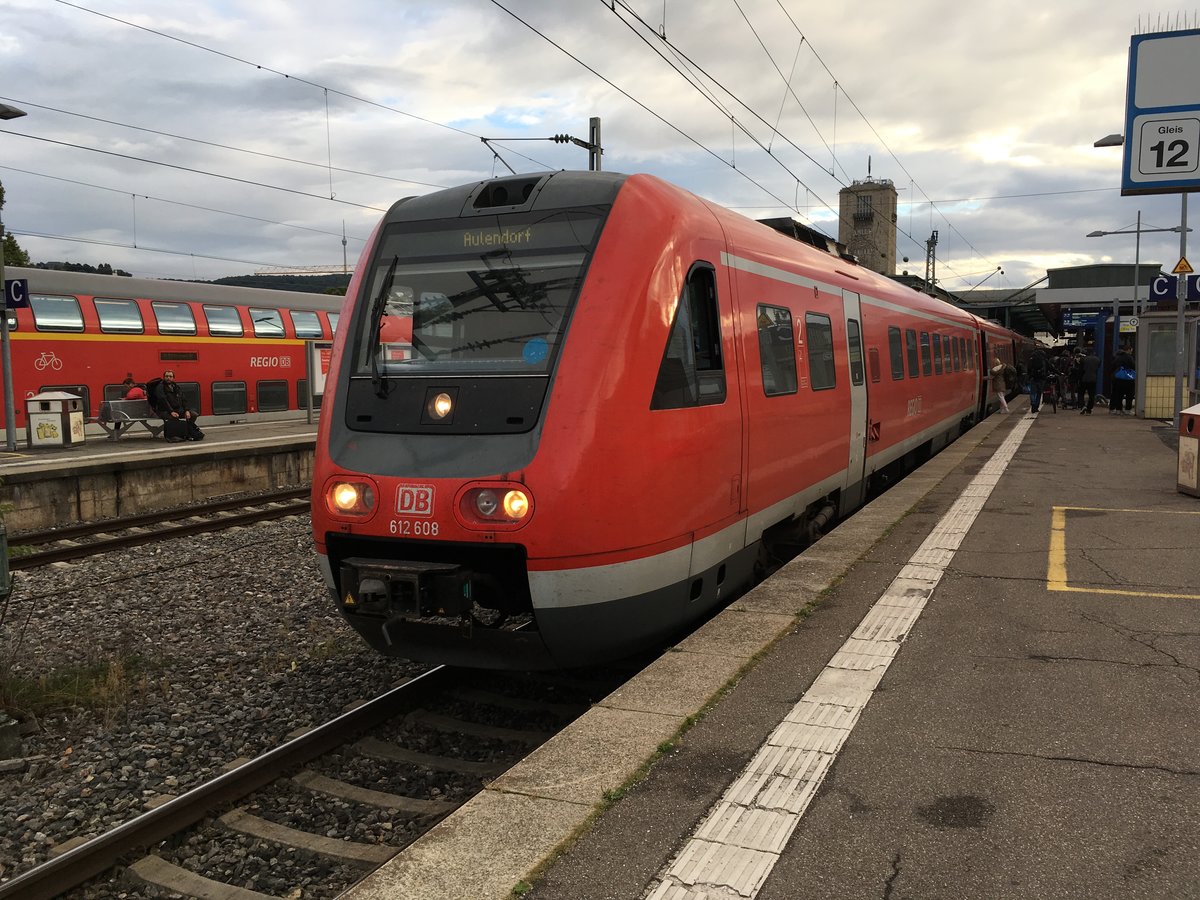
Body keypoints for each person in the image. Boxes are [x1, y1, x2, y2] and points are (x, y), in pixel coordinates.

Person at [150, 369, 204, 441]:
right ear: (164, 377)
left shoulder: (176, 387)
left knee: (193, 414)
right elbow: (163, 400)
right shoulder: (160, 387)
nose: (168, 378)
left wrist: (187, 410)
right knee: (173, 417)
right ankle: (174, 435)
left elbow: (183, 400)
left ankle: (188, 432)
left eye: (170, 376)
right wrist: (171, 411)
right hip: (163, 411)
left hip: (177, 410)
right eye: (166, 376)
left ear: (173, 378)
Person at [1110, 345, 1136, 415]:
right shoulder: (1129, 357)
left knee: (1119, 394)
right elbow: (1133, 366)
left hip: (1118, 378)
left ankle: (1118, 409)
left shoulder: (1117, 357)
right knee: (1129, 395)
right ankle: (1127, 410)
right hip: (1128, 378)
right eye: (1131, 350)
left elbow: (1112, 366)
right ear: (1128, 350)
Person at [1078, 345, 1101, 415]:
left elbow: (1081, 370)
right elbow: (1098, 368)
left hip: (1084, 379)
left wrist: (1079, 378)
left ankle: (1082, 406)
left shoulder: (1083, 359)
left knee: (1081, 393)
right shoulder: (1098, 359)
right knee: (1091, 395)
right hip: (1093, 378)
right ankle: (1089, 409)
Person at [1026, 346, 1049, 414]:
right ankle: (1036, 407)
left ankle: (1033, 404)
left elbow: (1028, 369)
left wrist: (1029, 376)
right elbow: (1050, 367)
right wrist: (1059, 373)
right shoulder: (1043, 360)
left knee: (1033, 393)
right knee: (1039, 393)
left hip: (1033, 378)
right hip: (1041, 379)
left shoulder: (1031, 359)